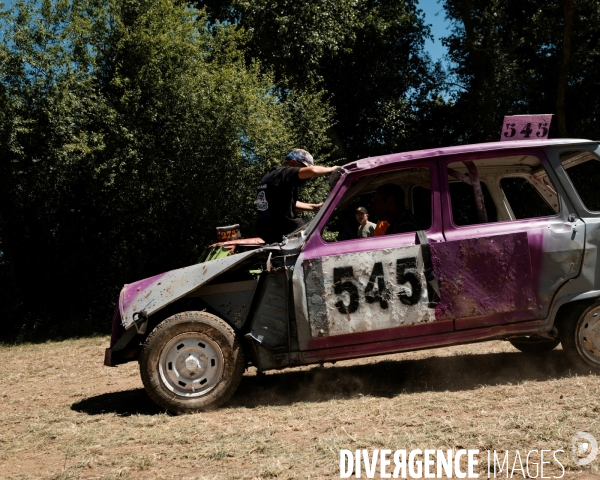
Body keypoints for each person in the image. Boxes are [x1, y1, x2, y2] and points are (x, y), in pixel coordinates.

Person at [256, 149, 340, 244]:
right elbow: (313, 171)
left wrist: (314, 207)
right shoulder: (285, 172)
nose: (305, 175)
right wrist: (332, 169)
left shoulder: (270, 176)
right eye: (303, 168)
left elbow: (285, 203)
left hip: (270, 233)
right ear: (293, 163)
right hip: (289, 230)